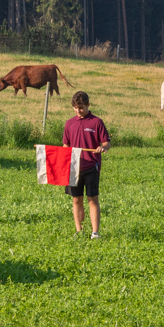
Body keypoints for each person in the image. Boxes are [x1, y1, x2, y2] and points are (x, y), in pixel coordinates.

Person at [63, 91, 111, 239]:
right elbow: (65, 145)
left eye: (81, 108)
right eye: (75, 108)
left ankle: (95, 232)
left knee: (92, 199)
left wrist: (102, 148)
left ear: (88, 105)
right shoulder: (69, 123)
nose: (78, 111)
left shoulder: (97, 122)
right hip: (73, 168)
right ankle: (79, 231)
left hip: (91, 167)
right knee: (76, 199)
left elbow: (107, 143)